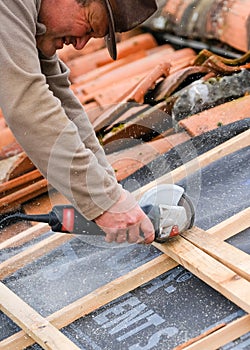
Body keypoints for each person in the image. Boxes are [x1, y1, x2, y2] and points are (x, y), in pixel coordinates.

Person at [0, 0, 158, 244]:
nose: (81, 44)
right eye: (90, 24)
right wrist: (105, 202)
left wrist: (111, 191)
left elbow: (60, 99)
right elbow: (29, 105)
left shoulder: (32, 22)